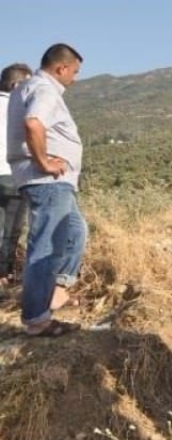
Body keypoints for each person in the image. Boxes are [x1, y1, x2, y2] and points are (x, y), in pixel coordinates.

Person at [7, 44, 86, 337]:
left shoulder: (27, 87)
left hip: (51, 182)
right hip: (47, 182)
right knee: (46, 247)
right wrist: (44, 161)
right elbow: (33, 123)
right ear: (61, 68)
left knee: (76, 232)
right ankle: (37, 319)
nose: (75, 79)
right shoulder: (44, 89)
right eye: (74, 72)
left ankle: (55, 293)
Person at [0, 63, 32, 287]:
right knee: (10, 230)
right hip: (10, 175)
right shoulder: (17, 107)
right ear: (17, 85)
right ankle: (4, 275)